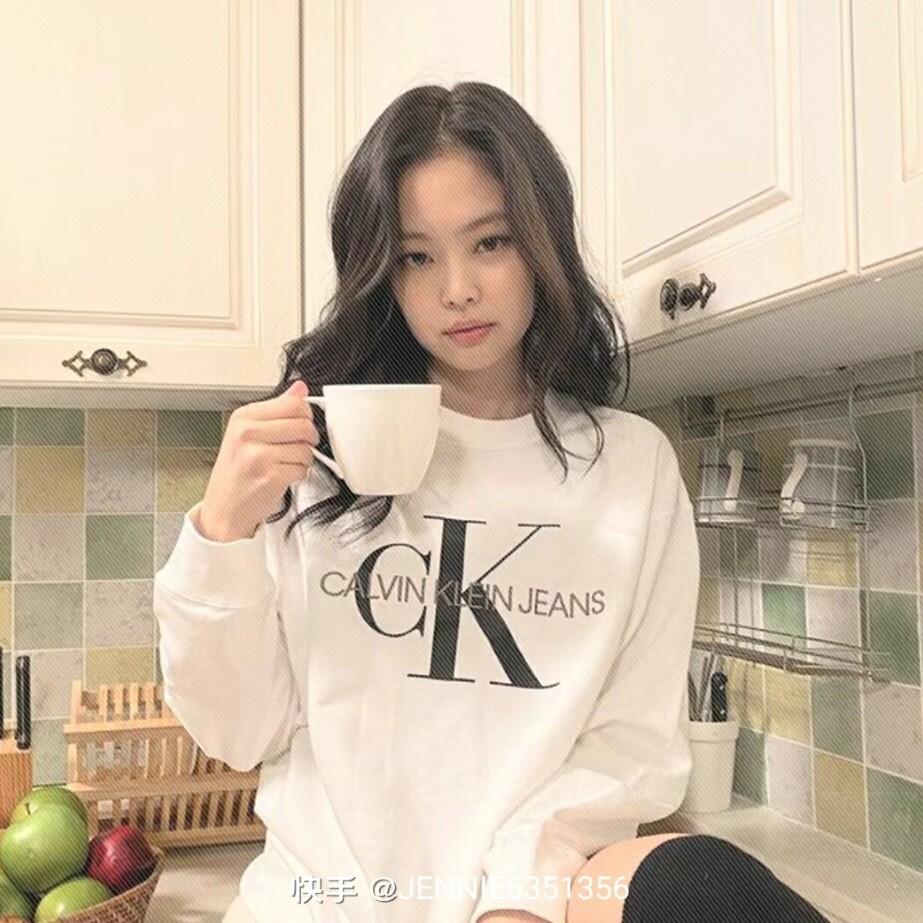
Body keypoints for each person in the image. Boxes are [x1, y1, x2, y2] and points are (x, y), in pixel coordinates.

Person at [153, 82, 830, 923]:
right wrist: (222, 531)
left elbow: (628, 749)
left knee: (702, 881)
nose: (458, 289)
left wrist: (517, 897)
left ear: (541, 243)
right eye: (416, 256)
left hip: (520, 908)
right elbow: (237, 733)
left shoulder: (630, 467)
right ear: (381, 273)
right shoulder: (318, 458)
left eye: (490, 242)